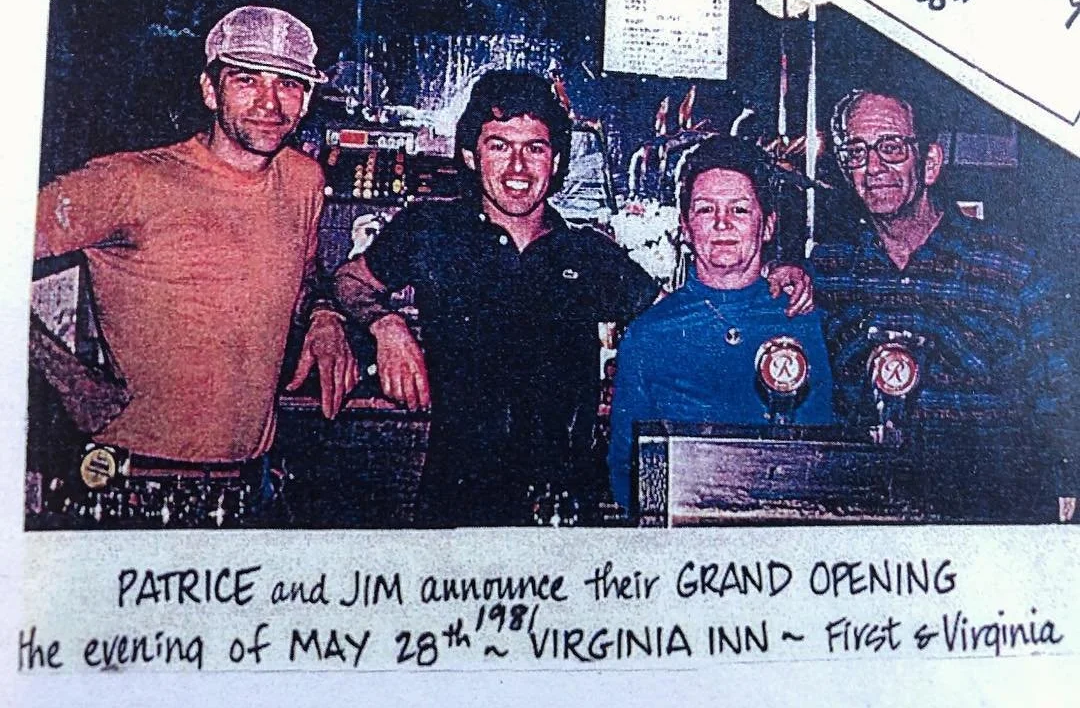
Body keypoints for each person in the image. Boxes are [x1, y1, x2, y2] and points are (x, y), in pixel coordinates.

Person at [32, 5, 358, 523]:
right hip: (134, 485)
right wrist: (68, 379)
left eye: (289, 84)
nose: (270, 103)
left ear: (307, 100)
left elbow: (305, 270)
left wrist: (323, 316)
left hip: (250, 485)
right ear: (210, 90)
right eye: (246, 80)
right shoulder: (130, 182)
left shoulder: (303, 180)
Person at [333, 70, 661, 526]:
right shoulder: (431, 231)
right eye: (499, 146)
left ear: (556, 160)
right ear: (471, 155)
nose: (518, 168)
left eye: (535, 148)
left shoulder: (587, 252)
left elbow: (673, 317)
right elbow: (348, 280)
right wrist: (386, 326)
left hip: (562, 511)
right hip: (456, 504)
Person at [807, 89, 1074, 520]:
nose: (873, 167)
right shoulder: (828, 268)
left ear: (930, 163)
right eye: (855, 151)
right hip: (865, 520)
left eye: (891, 147)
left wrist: (1067, 486)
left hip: (988, 520)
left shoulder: (1010, 267)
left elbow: (1058, 391)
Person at [608, 136, 836, 513]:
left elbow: (823, 456)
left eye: (740, 210)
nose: (722, 223)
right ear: (684, 227)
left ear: (768, 226)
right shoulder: (648, 334)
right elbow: (624, 470)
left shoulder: (800, 318)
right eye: (705, 209)